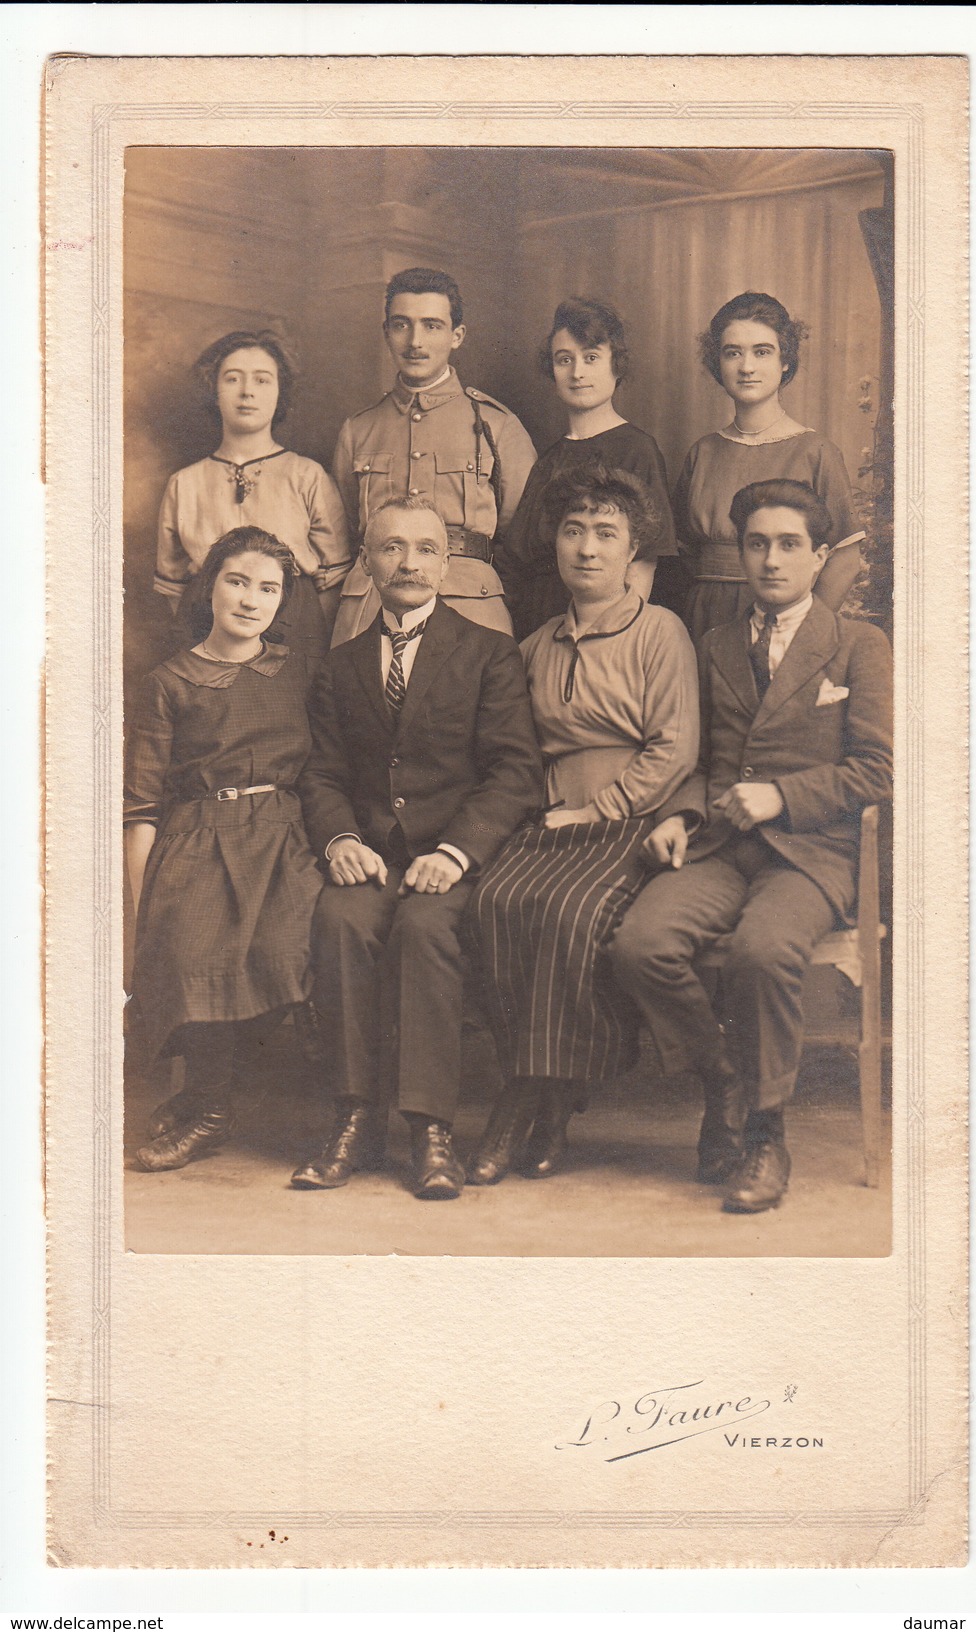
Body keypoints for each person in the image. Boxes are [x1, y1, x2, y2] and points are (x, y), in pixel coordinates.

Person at [610, 479, 893, 1213]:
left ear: (820, 554)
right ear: (741, 553)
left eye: (789, 545)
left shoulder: (858, 645)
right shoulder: (716, 644)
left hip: (811, 853)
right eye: (757, 544)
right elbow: (701, 760)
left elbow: (879, 770)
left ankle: (765, 1135)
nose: (771, 560)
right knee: (640, 943)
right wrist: (679, 814)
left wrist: (785, 795)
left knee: (762, 953)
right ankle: (724, 1081)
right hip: (723, 844)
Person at [293, 496, 543, 1200]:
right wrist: (340, 836)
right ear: (367, 562)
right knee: (341, 919)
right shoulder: (340, 665)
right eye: (392, 548)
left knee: (428, 927)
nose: (409, 563)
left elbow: (514, 771)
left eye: (425, 548)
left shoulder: (486, 652)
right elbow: (321, 771)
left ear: (446, 561)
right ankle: (354, 1115)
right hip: (374, 852)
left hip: (453, 855)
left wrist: (457, 852)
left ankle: (429, 1128)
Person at [467, 465, 699, 1186]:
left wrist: (601, 808)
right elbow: (515, 751)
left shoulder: (661, 631)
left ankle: (541, 1103)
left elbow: (675, 745)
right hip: (547, 822)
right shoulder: (535, 646)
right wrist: (544, 808)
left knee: (571, 914)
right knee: (491, 904)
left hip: (627, 820)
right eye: (574, 532)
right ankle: (532, 1085)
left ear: (634, 552)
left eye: (606, 534)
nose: (588, 549)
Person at [126, 527, 324, 1172]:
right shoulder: (168, 682)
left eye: (269, 589)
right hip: (197, 835)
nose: (250, 600)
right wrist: (140, 906)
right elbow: (143, 805)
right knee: (191, 942)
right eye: (237, 581)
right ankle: (207, 1109)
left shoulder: (297, 671)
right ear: (210, 584)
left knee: (286, 947)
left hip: (283, 835)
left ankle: (211, 1098)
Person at [330, 266, 537, 644]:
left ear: (457, 336)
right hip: (369, 613)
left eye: (431, 325)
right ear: (386, 333)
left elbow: (522, 542)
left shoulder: (498, 428)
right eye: (401, 325)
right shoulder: (357, 431)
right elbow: (344, 536)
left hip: (469, 610)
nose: (415, 342)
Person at [155, 330, 352, 681]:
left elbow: (334, 582)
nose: (247, 392)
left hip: (295, 636)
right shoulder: (184, 484)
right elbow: (172, 588)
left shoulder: (307, 476)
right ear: (214, 391)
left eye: (262, 380)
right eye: (232, 379)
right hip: (206, 634)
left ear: (280, 393)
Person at [674, 292, 865, 645]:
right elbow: (682, 556)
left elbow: (845, 560)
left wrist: (799, 634)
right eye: (733, 352)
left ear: (785, 362)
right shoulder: (702, 453)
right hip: (704, 620)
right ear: (718, 363)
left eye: (762, 352)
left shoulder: (816, 452)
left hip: (783, 621)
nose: (747, 367)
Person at [496, 297, 681, 638]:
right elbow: (516, 564)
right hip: (535, 630)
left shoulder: (637, 450)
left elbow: (642, 566)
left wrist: (608, 641)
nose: (577, 373)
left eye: (591, 358)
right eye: (564, 360)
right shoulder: (548, 460)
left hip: (601, 632)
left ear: (616, 365)